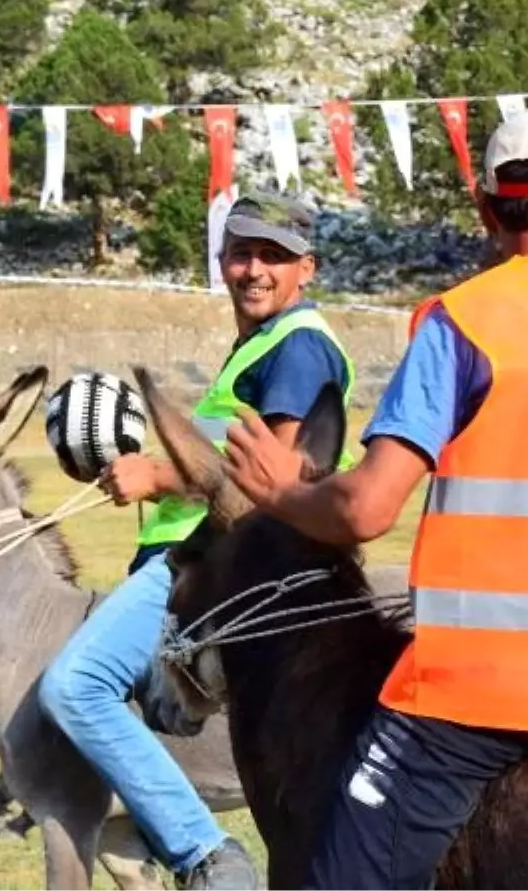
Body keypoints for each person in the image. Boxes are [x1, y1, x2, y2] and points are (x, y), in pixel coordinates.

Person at [222, 105, 528, 890]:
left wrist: (280, 493)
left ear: (486, 209)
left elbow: (366, 511)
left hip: (485, 696)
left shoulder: (462, 322)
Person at [39, 193, 358, 891]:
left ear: (307, 267)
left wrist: (154, 473)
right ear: (221, 262)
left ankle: (207, 858)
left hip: (211, 564)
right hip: (191, 555)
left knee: (77, 686)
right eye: (241, 252)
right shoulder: (260, 345)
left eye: (273, 256)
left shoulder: (298, 347)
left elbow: (263, 482)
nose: (253, 269)